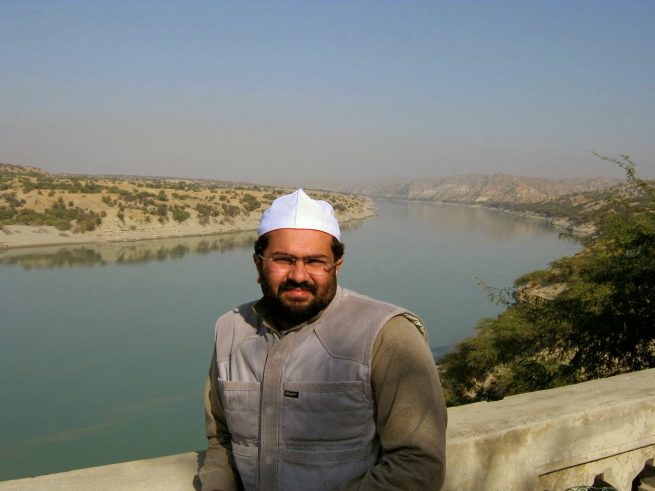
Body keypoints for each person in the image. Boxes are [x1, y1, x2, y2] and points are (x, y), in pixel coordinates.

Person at [199, 189, 447, 491]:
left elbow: (417, 465)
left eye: (315, 261)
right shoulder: (231, 330)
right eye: (283, 259)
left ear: (337, 266)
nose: (299, 275)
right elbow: (221, 440)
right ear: (258, 263)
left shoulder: (387, 335)